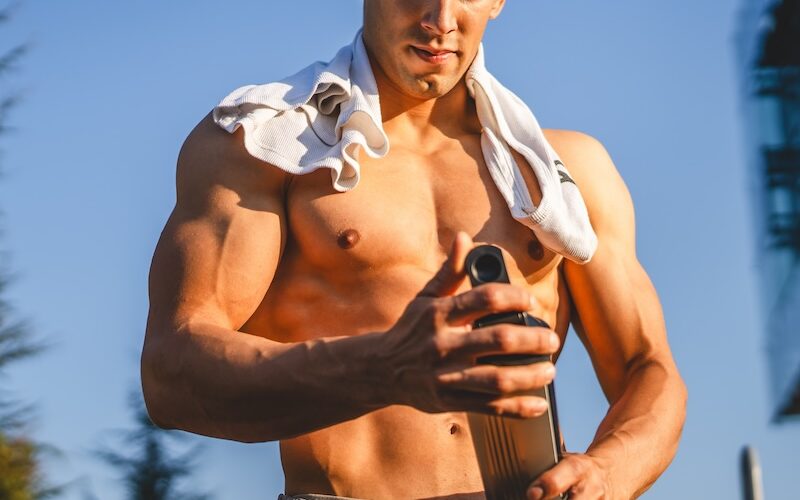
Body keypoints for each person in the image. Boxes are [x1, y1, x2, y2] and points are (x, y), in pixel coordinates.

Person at [141, 1, 687, 498]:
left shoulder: (566, 173)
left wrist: (608, 472)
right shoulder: (266, 146)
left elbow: (648, 368)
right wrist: (379, 370)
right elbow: (171, 372)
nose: (441, 19)